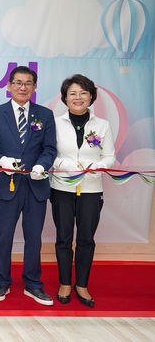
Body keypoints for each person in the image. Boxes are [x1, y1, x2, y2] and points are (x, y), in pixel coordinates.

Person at [0, 65, 57, 306]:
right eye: (18, 82)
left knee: (34, 237)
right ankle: (2, 281)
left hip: (36, 186)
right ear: (8, 86)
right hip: (6, 185)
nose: (22, 87)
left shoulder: (45, 115)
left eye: (28, 83)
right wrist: (1, 161)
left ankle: (33, 283)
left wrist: (42, 165)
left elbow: (50, 148)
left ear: (34, 87)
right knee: (4, 236)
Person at [50, 74, 115, 307]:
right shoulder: (55, 123)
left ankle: (82, 285)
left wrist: (97, 166)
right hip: (62, 188)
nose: (78, 98)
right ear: (65, 98)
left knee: (86, 238)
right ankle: (65, 283)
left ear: (91, 96)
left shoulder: (102, 125)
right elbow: (49, 153)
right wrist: (63, 165)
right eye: (73, 94)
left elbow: (109, 156)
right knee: (63, 238)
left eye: (83, 93)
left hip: (91, 189)